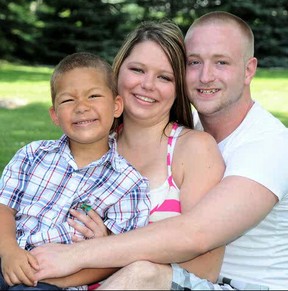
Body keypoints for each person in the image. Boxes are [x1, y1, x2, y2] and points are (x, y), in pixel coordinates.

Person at [31, 11, 288, 290]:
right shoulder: (102, 140)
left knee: (142, 275)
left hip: (243, 285)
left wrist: (86, 252)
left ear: (249, 70)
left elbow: (198, 237)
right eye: (194, 62)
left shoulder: (269, 145)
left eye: (221, 62)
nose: (205, 76)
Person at [0, 52, 151, 290]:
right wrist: (9, 253)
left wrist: (57, 280)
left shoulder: (129, 184)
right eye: (68, 100)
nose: (82, 107)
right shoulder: (32, 155)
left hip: (55, 282)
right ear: (54, 115)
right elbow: (3, 208)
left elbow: (117, 258)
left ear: (116, 106)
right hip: (7, 257)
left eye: (93, 96)